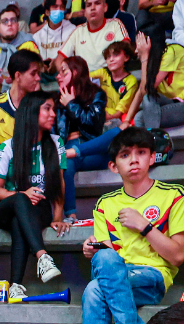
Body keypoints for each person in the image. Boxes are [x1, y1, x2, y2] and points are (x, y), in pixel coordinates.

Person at [78, 128, 184, 324]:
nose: (134, 160)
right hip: (115, 274)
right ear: (113, 166)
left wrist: (144, 226)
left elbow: (177, 255)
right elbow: (106, 254)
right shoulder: (105, 203)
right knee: (96, 285)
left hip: (152, 276)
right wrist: (92, 249)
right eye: (125, 155)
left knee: (95, 290)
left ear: (152, 157)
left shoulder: (174, 195)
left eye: (141, 152)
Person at [0, 91, 68, 298]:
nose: (53, 114)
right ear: (31, 112)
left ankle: (15, 286)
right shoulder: (8, 147)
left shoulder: (56, 143)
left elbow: (60, 184)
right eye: (47, 109)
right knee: (20, 202)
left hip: (38, 209)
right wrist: (22, 194)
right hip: (6, 208)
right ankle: (42, 256)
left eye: (53, 109)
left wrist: (58, 217)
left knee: (20, 222)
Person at [57, 56, 120, 221]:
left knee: (116, 134)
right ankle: (71, 215)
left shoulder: (96, 94)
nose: (58, 76)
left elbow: (92, 123)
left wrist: (71, 104)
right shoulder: (57, 99)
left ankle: (73, 152)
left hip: (93, 147)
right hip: (67, 150)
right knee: (65, 163)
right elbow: (54, 132)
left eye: (63, 71)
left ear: (76, 71)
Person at [130, 33, 184, 129]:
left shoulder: (170, 52)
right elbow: (141, 91)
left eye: (139, 45)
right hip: (175, 103)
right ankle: (152, 136)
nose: (136, 50)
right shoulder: (152, 60)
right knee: (140, 116)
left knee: (145, 116)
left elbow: (146, 89)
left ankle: (153, 137)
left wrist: (144, 58)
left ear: (149, 43)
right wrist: (126, 121)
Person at [0, 7, 40, 122]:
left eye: (13, 20)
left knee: (35, 88)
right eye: (5, 21)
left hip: (21, 91)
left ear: (17, 26)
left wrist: (16, 81)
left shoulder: (28, 44)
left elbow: (35, 77)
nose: (9, 24)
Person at [0, 50, 44, 154]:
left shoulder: (42, 105)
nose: (38, 78)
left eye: (38, 74)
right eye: (33, 74)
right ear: (18, 76)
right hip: (5, 159)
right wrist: (12, 155)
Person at [57, 0, 129, 73]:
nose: (93, 8)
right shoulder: (78, 31)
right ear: (85, 12)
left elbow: (125, 50)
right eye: (89, 5)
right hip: (84, 79)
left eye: (97, 3)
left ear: (105, 7)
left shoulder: (115, 25)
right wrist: (68, 76)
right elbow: (59, 61)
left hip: (110, 77)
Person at [94, 42, 139, 124]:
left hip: (118, 118)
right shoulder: (103, 72)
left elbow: (118, 113)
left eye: (116, 55)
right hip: (102, 112)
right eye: (108, 56)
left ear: (126, 57)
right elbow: (83, 77)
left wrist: (97, 116)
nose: (111, 59)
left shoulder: (131, 82)